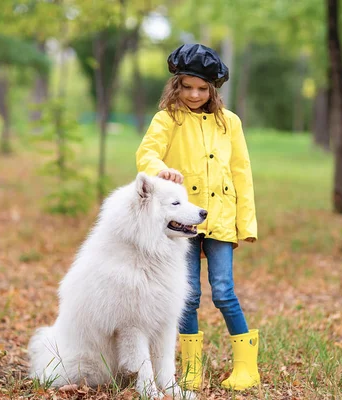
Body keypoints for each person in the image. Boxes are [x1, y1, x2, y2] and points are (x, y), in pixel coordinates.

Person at [135, 43, 260, 392]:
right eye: (188, 86)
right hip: (182, 223)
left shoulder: (229, 123)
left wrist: (245, 225)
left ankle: (246, 367)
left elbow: (241, 173)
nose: (194, 94)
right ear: (177, 85)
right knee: (187, 296)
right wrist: (163, 170)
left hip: (220, 219)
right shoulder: (167, 119)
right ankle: (190, 368)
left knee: (223, 291)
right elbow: (146, 155)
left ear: (213, 89)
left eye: (202, 88)